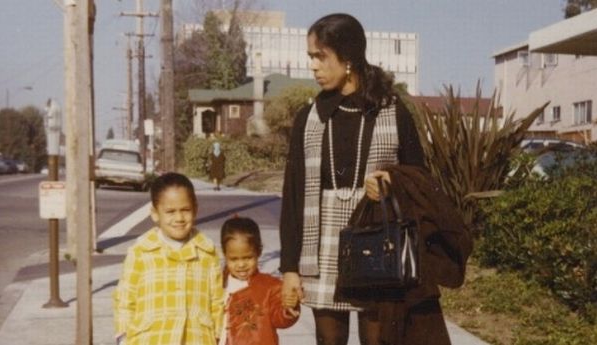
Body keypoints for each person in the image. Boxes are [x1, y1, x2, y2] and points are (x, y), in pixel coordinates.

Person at [279, 13, 472, 345]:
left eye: (320, 56)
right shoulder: (307, 119)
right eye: (311, 57)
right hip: (321, 249)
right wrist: (289, 269)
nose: (313, 66)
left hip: (378, 246)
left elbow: (421, 183)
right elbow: (293, 196)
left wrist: (390, 184)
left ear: (349, 57)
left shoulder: (393, 112)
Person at [113, 172, 224, 345]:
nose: (179, 218)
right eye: (170, 212)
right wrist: (123, 337)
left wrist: (218, 336)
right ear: (155, 213)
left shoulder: (207, 253)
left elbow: (217, 302)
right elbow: (125, 300)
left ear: (195, 209)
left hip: (197, 339)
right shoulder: (141, 252)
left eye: (185, 210)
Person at [219, 216, 299, 345]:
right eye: (234, 259)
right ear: (225, 254)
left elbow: (280, 319)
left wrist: (289, 306)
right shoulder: (217, 284)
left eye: (247, 258)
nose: (241, 265)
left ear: (258, 252)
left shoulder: (269, 287)